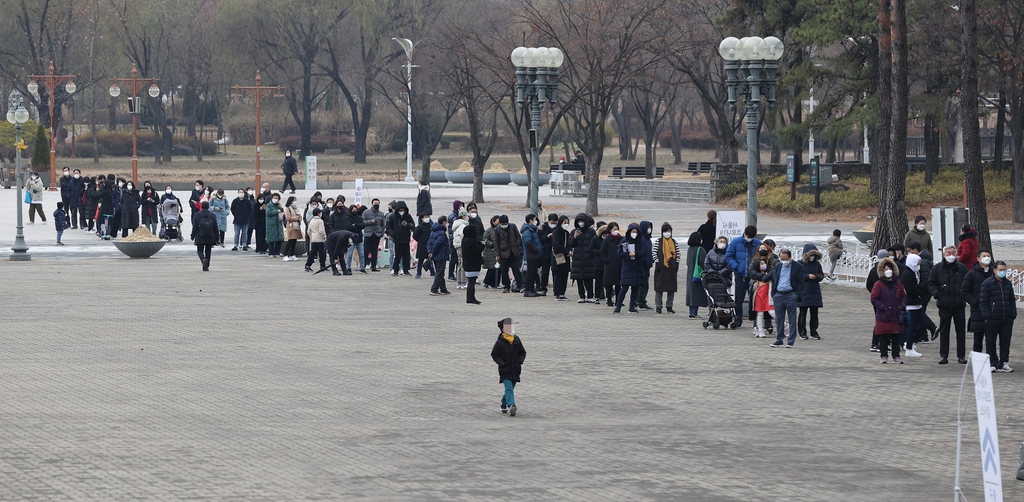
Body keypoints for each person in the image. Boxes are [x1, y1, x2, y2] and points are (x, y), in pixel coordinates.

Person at [929, 245, 968, 364]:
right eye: (948, 253)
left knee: (960, 331)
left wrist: (964, 296)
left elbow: (967, 283)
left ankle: (961, 355)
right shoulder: (937, 268)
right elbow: (931, 283)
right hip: (944, 304)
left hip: (959, 305)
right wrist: (937, 294)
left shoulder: (961, 268)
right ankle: (944, 355)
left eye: (953, 253)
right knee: (944, 331)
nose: (951, 255)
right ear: (943, 255)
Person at [980, 261, 1016, 372]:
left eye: (1004, 270)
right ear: (994, 270)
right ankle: (992, 363)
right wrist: (987, 315)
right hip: (992, 318)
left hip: (1006, 318)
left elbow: (1011, 300)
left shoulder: (1008, 284)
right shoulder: (987, 283)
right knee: (990, 341)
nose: (1002, 272)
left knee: (1005, 342)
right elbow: (983, 301)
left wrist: (1012, 314)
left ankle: (1004, 362)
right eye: (1000, 270)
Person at [871, 257, 907, 363]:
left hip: (896, 314)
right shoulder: (878, 284)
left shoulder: (898, 283)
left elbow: (904, 296)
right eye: (885, 269)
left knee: (896, 337)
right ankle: (884, 356)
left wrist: (902, 305)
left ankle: (896, 356)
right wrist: (882, 307)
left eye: (889, 268)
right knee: (884, 337)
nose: (888, 271)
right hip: (884, 315)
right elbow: (873, 298)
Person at [725, 225, 762, 326]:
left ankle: (756, 321)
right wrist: (736, 267)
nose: (749, 239)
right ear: (745, 233)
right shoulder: (735, 242)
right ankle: (738, 319)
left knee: (755, 299)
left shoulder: (758, 244)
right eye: (748, 236)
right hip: (740, 275)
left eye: (752, 237)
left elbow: (762, 258)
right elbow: (729, 256)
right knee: (738, 299)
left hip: (754, 277)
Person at [962, 250, 995, 362]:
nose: (986, 258)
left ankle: (992, 360)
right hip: (977, 311)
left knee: (991, 338)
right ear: (978, 259)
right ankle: (977, 361)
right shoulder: (971, 274)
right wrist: (975, 301)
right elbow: (964, 291)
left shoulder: (993, 273)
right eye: (984, 256)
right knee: (978, 338)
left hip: (992, 310)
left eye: (988, 256)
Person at [491, 317, 526, 416]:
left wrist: (520, 361)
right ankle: (511, 405)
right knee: (509, 388)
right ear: (503, 329)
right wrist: (502, 364)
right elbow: (494, 355)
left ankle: (503, 403)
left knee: (510, 388)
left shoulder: (517, 340)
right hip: (505, 370)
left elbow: (522, 353)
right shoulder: (500, 342)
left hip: (515, 369)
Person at [769, 249, 804, 348]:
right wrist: (774, 293)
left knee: (792, 318)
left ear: (790, 257)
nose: (783, 260)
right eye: (781, 258)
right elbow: (775, 279)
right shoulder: (778, 266)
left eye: (785, 258)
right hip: (778, 295)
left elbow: (801, 282)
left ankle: (791, 340)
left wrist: (796, 294)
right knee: (779, 318)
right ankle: (779, 339)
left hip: (790, 295)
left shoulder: (798, 266)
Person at [900, 254, 926, 358]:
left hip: (916, 303)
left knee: (923, 323)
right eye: (917, 263)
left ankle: (912, 343)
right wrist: (920, 289)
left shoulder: (913, 273)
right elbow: (911, 289)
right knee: (913, 325)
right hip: (911, 303)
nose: (919, 265)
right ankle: (909, 347)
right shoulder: (907, 274)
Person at [615, 223, 646, 314]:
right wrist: (628, 254)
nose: (634, 233)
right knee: (624, 287)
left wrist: (636, 253)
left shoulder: (640, 242)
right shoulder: (624, 241)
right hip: (627, 266)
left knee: (635, 288)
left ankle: (632, 306)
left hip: (637, 267)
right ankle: (618, 306)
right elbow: (619, 253)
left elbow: (643, 253)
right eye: (633, 232)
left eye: (636, 232)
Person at [749, 241, 777, 338]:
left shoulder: (773, 259)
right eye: (760, 249)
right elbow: (751, 271)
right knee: (759, 312)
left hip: (769, 288)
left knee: (772, 311)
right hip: (759, 288)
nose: (762, 250)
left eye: (764, 248)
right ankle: (759, 329)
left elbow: (774, 271)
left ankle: (784, 325)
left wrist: (766, 277)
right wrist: (761, 276)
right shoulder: (755, 259)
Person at [798, 243, 825, 340]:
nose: (812, 257)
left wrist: (818, 277)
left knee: (814, 313)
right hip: (804, 291)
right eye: (811, 255)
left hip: (815, 291)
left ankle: (814, 331)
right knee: (803, 313)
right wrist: (807, 276)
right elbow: (797, 276)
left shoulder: (817, 264)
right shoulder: (800, 264)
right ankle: (802, 332)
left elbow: (822, 275)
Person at [569, 213, 597, 302]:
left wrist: (591, 254)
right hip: (577, 259)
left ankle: (590, 295)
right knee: (579, 279)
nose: (580, 223)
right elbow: (570, 244)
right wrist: (575, 237)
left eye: (582, 221)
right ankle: (581, 296)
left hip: (588, 259)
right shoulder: (574, 232)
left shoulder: (591, 232)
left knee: (588, 278)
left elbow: (594, 244)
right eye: (579, 221)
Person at [658, 225, 684, 315]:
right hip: (661, 268)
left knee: (671, 288)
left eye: (669, 231)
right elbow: (654, 253)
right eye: (665, 231)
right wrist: (658, 263)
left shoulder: (674, 242)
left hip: (672, 267)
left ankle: (669, 306)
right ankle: (658, 306)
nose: (667, 233)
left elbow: (678, 254)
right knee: (659, 288)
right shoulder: (659, 241)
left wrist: (676, 263)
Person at [495, 215, 524, 293]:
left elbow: (518, 237)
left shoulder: (513, 227)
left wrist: (516, 245)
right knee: (504, 271)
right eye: (502, 224)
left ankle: (520, 285)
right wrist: (497, 254)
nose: (504, 225)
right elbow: (496, 243)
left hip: (514, 252)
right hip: (503, 253)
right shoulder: (497, 230)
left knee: (516, 270)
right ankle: (506, 286)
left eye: (505, 223)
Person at [388, 201, 415, 275]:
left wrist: (407, 225)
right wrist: (392, 234)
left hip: (406, 239)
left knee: (406, 256)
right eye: (400, 210)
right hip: (397, 239)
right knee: (397, 256)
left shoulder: (408, 216)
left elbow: (413, 225)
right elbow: (388, 227)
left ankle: (406, 270)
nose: (402, 211)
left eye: (403, 210)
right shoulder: (393, 217)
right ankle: (395, 270)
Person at [427, 215, 452, 295]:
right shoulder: (442, 233)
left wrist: (430, 252)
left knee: (439, 271)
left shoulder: (433, 231)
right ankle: (434, 289)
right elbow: (437, 244)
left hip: (435, 255)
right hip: (440, 255)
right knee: (440, 272)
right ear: (444, 222)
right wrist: (433, 252)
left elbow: (429, 243)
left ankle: (443, 288)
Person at [600, 222, 623, 306]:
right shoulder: (607, 240)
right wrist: (606, 260)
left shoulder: (621, 239)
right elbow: (602, 252)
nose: (616, 231)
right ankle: (609, 300)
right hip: (609, 265)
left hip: (619, 265)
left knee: (618, 284)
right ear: (610, 230)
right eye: (614, 229)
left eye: (617, 229)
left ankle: (618, 300)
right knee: (609, 284)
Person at [551, 215, 573, 301]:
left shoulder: (567, 233)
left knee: (565, 275)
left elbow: (569, 244)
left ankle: (562, 293)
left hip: (566, 257)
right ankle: (557, 293)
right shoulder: (556, 233)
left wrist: (569, 251)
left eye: (567, 223)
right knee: (558, 276)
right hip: (558, 257)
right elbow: (556, 245)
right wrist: (566, 251)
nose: (566, 224)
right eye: (564, 223)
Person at [191, 201, 218, 271]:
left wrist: (192, 236)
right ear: (208, 206)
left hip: (200, 236)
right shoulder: (212, 215)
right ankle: (207, 265)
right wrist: (217, 238)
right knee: (208, 251)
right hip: (210, 235)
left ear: (201, 206)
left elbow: (195, 227)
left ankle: (203, 260)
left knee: (200, 250)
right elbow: (215, 227)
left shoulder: (197, 215)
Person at [520, 214, 542, 297]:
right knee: (530, 273)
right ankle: (527, 290)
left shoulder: (533, 230)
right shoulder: (527, 231)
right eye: (534, 219)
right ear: (530, 220)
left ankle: (532, 289)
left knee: (533, 273)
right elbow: (528, 242)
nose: (535, 221)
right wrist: (536, 249)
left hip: (534, 255)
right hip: (530, 255)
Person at [462, 225, 484, 304]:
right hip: (472, 264)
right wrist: (482, 245)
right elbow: (477, 250)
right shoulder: (470, 241)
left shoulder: (465, 240)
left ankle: (471, 297)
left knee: (471, 282)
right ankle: (470, 298)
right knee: (471, 282)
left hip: (468, 264)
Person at [363, 198, 386, 272]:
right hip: (368, 233)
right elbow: (362, 222)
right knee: (366, 250)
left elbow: (383, 224)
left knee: (374, 251)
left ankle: (374, 266)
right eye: (375, 203)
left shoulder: (381, 214)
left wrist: (382, 233)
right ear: (372, 204)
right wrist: (370, 221)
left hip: (377, 234)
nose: (376, 205)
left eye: (377, 204)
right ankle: (363, 265)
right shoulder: (366, 212)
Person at [636, 221, 655, 310]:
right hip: (641, 265)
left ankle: (641, 300)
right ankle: (640, 301)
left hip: (647, 265)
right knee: (642, 285)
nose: (649, 229)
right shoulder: (641, 239)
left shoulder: (648, 239)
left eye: (650, 227)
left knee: (645, 284)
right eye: (648, 227)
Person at [538, 213, 557, 294]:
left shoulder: (558, 228)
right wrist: (547, 236)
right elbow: (541, 238)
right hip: (546, 253)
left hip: (555, 253)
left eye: (555, 223)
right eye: (552, 222)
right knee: (545, 272)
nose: (553, 224)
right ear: (548, 221)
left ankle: (556, 288)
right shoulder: (544, 227)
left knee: (555, 272)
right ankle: (543, 288)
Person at [304, 208, 327, 272]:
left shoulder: (312, 220)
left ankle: (308, 265)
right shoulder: (320, 221)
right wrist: (324, 237)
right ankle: (322, 266)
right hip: (320, 239)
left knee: (312, 252)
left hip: (314, 239)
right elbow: (321, 231)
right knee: (321, 253)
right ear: (319, 213)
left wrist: (312, 236)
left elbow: (309, 230)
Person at [345, 205, 367, 273]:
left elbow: (363, 225)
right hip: (350, 238)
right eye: (353, 210)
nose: (354, 211)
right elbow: (348, 227)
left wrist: (355, 225)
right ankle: (348, 267)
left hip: (359, 237)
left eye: (355, 210)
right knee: (349, 254)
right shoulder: (347, 218)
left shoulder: (359, 218)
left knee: (361, 254)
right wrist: (357, 227)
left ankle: (362, 267)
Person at [452, 209, 470, 289]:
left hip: (457, 245)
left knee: (459, 264)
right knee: (463, 264)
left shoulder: (456, 224)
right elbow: (464, 236)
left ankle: (459, 282)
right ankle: (463, 282)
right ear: (463, 216)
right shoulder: (462, 225)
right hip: (462, 246)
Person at [590, 222, 607, 303]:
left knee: (607, 280)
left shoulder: (609, 239)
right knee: (598, 281)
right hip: (598, 263)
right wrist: (600, 252)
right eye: (604, 234)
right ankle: (597, 296)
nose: (605, 235)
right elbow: (591, 249)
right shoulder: (595, 239)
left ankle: (608, 295)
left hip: (608, 263)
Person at [281, 196, 303, 261]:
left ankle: (292, 254)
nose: (295, 202)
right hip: (291, 226)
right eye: (294, 200)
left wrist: (299, 218)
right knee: (290, 241)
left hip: (296, 226)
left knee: (294, 241)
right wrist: (296, 218)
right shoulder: (288, 208)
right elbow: (288, 218)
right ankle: (285, 255)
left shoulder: (296, 208)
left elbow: (299, 216)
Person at [447, 200, 464, 281]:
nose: (461, 207)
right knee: (454, 258)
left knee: (458, 259)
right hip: (454, 239)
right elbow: (456, 222)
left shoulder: (457, 214)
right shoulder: (453, 216)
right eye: (460, 206)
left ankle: (458, 274)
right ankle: (450, 274)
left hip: (457, 239)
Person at [482, 215, 501, 289]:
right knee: (492, 269)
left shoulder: (500, 229)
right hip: (490, 252)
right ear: (493, 222)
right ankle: (487, 281)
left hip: (498, 251)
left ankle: (495, 283)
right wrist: (492, 244)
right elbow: (485, 239)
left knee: (498, 268)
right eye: (497, 222)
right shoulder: (488, 231)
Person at [265, 193, 285, 257]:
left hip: (278, 224)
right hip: (271, 225)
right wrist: (276, 211)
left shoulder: (278, 205)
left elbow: (282, 213)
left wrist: (281, 207)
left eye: (277, 198)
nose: (275, 199)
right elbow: (268, 213)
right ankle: (271, 253)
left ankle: (277, 252)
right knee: (271, 240)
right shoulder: (269, 205)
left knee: (279, 239)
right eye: (274, 198)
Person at [413, 213, 433, 278]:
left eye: (428, 216)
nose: (427, 218)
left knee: (430, 260)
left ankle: (432, 273)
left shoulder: (431, 226)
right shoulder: (419, 227)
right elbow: (415, 235)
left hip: (429, 245)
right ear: (421, 219)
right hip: (422, 245)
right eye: (425, 217)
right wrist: (419, 240)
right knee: (420, 260)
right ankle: (418, 273)